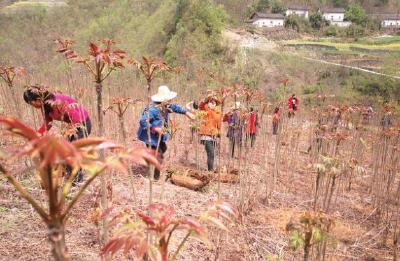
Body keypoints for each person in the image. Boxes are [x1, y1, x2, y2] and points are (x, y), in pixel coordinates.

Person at [23, 85, 91, 184]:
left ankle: (77, 181)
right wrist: (37, 135)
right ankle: (70, 177)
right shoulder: (45, 106)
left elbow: (76, 118)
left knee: (71, 152)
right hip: (71, 127)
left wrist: (66, 133)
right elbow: (47, 123)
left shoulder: (58, 102)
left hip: (82, 124)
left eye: (31, 104)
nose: (33, 106)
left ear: (38, 100)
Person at [137, 85, 194, 180]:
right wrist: (155, 129)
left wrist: (187, 113)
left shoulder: (166, 106)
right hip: (150, 137)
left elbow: (175, 107)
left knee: (163, 148)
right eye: (169, 99)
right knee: (158, 156)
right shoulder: (153, 109)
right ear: (163, 100)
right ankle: (155, 179)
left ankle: (148, 158)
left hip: (159, 137)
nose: (170, 101)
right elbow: (143, 121)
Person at [198, 96, 221, 171]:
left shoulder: (218, 112)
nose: (213, 103)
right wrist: (205, 101)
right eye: (211, 101)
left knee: (212, 154)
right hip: (206, 135)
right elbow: (200, 106)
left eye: (214, 102)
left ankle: (211, 169)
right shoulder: (205, 108)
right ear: (208, 102)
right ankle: (210, 170)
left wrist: (219, 133)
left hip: (213, 135)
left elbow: (219, 124)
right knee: (211, 153)